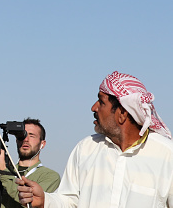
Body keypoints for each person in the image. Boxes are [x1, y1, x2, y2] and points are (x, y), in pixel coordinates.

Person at [17, 71, 173, 207]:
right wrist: (45, 201)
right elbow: (68, 202)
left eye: (101, 102)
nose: (94, 107)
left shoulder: (167, 155)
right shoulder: (85, 149)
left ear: (122, 114)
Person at [0, 118, 60, 208]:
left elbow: (30, 203)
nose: (26, 139)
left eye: (32, 136)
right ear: (16, 140)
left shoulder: (50, 176)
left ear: (42, 144)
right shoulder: (3, 170)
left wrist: (2, 172)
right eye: (22, 135)